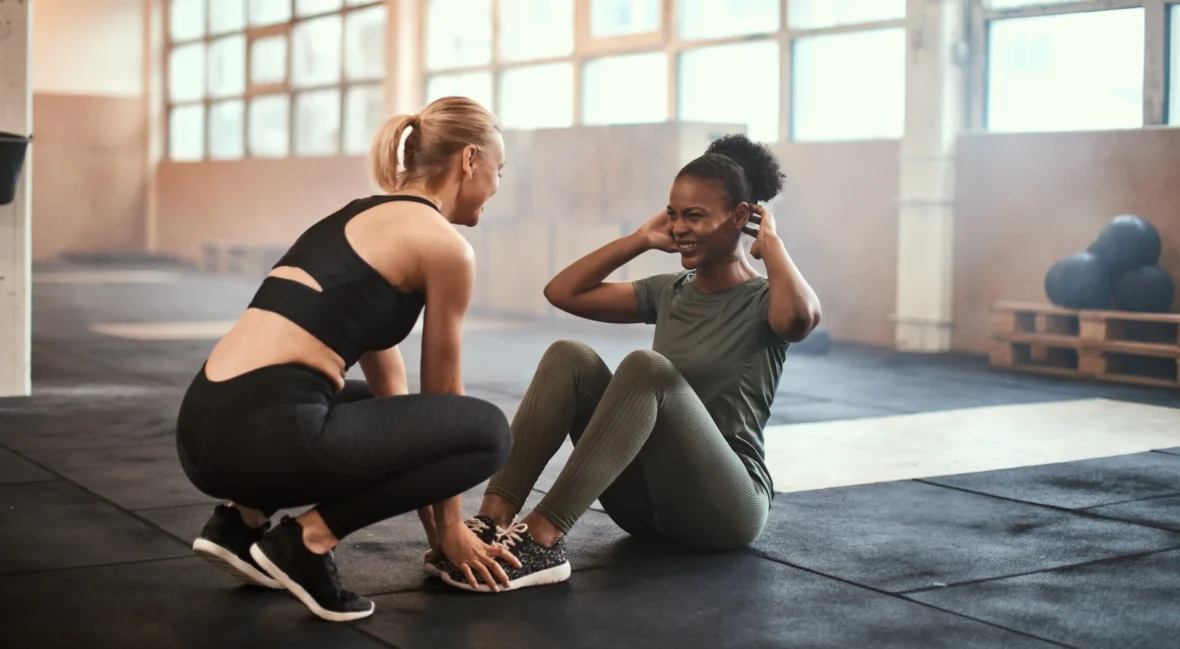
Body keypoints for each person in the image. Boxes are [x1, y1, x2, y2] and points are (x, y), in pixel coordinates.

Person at [175, 96, 523, 622]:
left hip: (205, 426)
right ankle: (308, 541)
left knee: (385, 408)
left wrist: (433, 531)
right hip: (262, 437)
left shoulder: (359, 217)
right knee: (487, 432)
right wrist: (453, 532)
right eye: (498, 170)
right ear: (469, 160)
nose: (497, 185)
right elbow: (444, 395)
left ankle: (240, 522)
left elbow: (400, 406)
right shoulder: (445, 247)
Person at [427, 133, 822, 592]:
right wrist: (638, 240)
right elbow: (562, 292)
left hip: (724, 510)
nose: (679, 228)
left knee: (646, 368)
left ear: (741, 217)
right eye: (674, 215)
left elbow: (800, 318)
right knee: (568, 356)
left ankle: (542, 539)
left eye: (694, 216)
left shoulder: (764, 299)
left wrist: (771, 244)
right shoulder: (670, 291)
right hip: (645, 507)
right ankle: (490, 525)